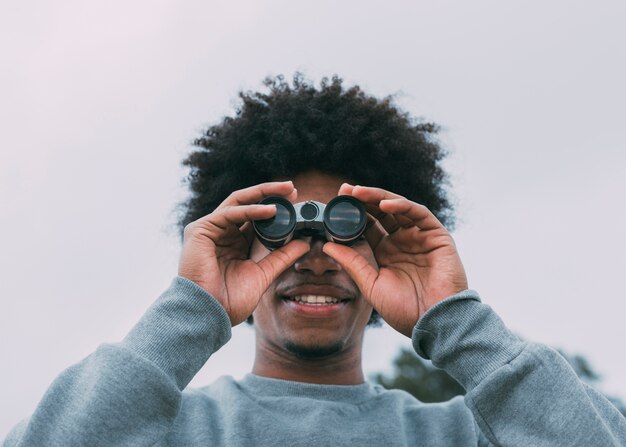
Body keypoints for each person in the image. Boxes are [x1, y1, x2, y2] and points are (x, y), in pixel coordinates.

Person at [4, 74, 625, 446]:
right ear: (232, 244)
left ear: (390, 246)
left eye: (347, 229)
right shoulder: (162, 430)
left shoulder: (467, 433)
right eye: (277, 226)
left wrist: (455, 318)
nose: (316, 254)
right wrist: (190, 310)